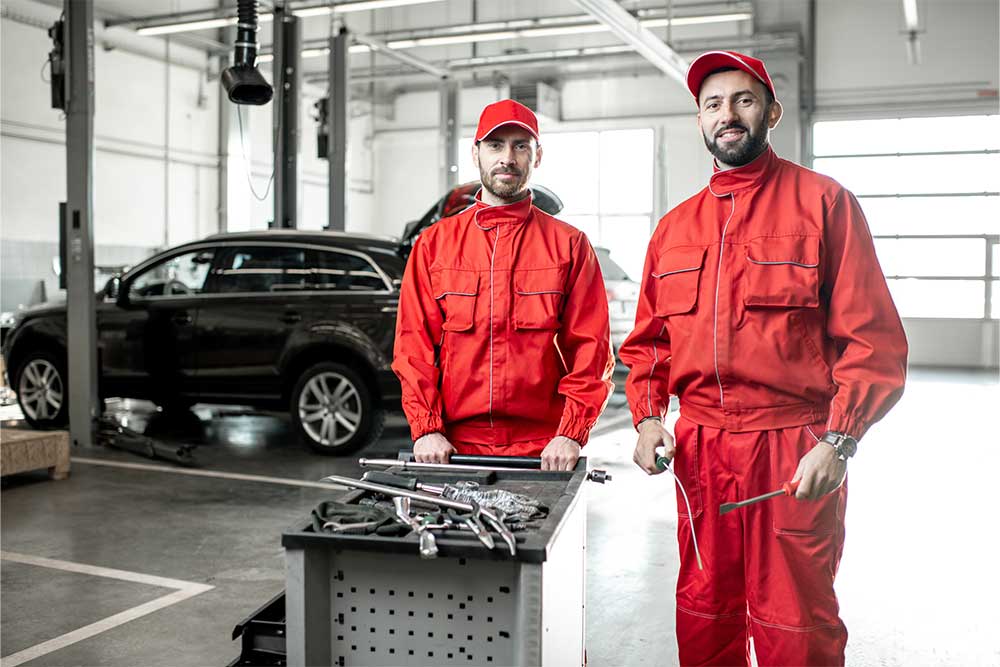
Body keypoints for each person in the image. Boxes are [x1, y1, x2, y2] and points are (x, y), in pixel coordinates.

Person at [619, 51, 908, 666]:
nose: (729, 115)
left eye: (744, 100)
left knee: (795, 621)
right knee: (704, 612)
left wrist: (840, 440)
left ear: (772, 111)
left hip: (792, 443)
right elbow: (649, 344)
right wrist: (646, 418)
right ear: (700, 120)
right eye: (714, 104)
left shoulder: (825, 205)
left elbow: (874, 340)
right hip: (700, 449)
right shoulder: (674, 230)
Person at [392, 99, 614, 471]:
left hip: (545, 451)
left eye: (520, 145)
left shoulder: (569, 245)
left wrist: (571, 433)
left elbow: (591, 350)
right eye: (495, 145)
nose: (507, 158)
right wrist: (425, 428)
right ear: (475, 152)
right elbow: (413, 347)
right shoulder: (434, 245)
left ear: (537, 155)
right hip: (454, 446)